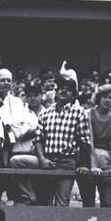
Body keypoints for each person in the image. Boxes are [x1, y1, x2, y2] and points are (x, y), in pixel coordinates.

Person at [33, 77, 92, 206]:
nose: (63, 91)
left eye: (68, 90)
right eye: (61, 88)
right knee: (43, 203)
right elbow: (38, 139)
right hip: (48, 161)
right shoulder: (45, 113)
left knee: (62, 203)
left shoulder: (79, 112)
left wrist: (83, 163)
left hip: (67, 162)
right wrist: (42, 159)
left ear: (73, 95)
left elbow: (85, 141)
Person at [82, 83, 111, 207]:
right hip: (90, 156)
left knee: (106, 201)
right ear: (98, 98)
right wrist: (93, 165)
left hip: (107, 158)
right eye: (104, 97)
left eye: (110, 98)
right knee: (88, 202)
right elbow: (90, 140)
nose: (107, 100)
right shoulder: (88, 113)